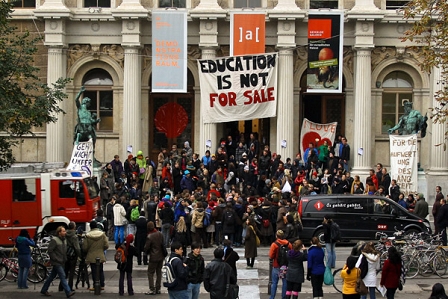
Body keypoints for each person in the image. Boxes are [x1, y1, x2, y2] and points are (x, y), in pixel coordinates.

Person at [40, 226, 75, 298]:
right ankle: (68, 292)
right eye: (63, 231)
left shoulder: (64, 240)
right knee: (62, 276)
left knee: (51, 276)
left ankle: (44, 289)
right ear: (59, 232)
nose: (65, 232)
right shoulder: (55, 240)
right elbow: (50, 250)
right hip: (56, 262)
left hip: (62, 261)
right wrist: (55, 258)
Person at [83, 221, 109, 291]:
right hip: (100, 254)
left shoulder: (88, 235)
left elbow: (85, 247)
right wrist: (101, 249)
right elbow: (106, 245)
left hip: (91, 255)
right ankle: (102, 285)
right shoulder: (102, 234)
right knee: (100, 270)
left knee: (94, 271)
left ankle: (95, 285)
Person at [269, 230, 292, 299]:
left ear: (276, 236)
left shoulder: (274, 244)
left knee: (274, 283)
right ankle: (284, 297)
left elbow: (271, 255)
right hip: (285, 266)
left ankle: (272, 297)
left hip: (276, 265)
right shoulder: (288, 244)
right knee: (285, 282)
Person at [144, 221, 166, 295]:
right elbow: (163, 244)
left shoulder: (149, 236)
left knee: (150, 272)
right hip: (161, 256)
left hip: (153, 257)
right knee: (159, 272)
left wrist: (145, 253)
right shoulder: (160, 234)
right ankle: (158, 288)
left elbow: (146, 248)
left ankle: (152, 289)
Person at [60, 222, 81, 292]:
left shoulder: (65, 234)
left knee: (65, 271)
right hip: (72, 255)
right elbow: (77, 247)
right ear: (74, 227)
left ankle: (61, 286)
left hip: (66, 254)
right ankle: (69, 286)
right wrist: (79, 255)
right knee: (71, 272)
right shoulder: (74, 236)